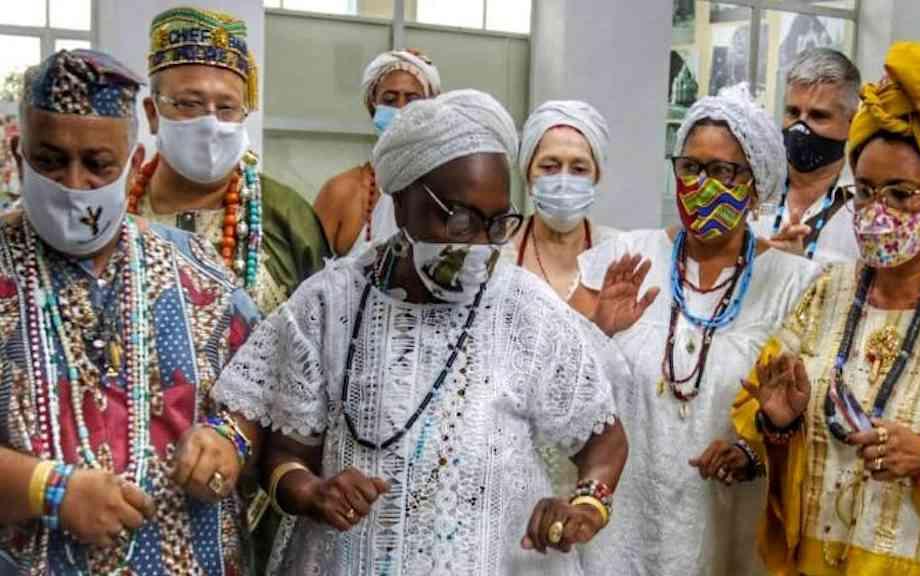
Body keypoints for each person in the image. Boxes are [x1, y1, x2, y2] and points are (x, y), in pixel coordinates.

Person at [214, 89, 628, 575]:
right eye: (460, 220)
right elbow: (285, 454)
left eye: (497, 224)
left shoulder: (525, 310)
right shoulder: (329, 304)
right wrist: (312, 492)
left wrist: (586, 505)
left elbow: (604, 442)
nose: (480, 245)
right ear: (402, 202)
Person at [728, 42, 920, 575]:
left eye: (901, 194)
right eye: (865, 192)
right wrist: (777, 424)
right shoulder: (829, 292)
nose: (876, 213)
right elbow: (757, 408)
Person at [0, 49, 261, 575]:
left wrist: (229, 441)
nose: (74, 185)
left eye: (98, 165)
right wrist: (47, 490)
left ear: (135, 163)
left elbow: (261, 396)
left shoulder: (199, 270)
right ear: (17, 155)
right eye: (50, 161)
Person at [571, 85, 820, 575]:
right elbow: (558, 392)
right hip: (622, 536)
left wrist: (753, 451)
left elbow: (807, 422)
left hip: (728, 531)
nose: (702, 184)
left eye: (723, 171)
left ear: (756, 185)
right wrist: (598, 331)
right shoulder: (626, 259)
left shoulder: (794, 285)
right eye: (690, 167)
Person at [129, 6, 329, 315]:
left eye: (226, 108)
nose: (210, 123)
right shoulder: (118, 217)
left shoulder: (287, 216)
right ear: (152, 113)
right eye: (190, 104)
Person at [314, 49, 442, 256]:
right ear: (373, 106)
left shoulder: (445, 193)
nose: (401, 110)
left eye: (413, 100)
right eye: (390, 100)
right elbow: (307, 271)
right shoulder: (341, 192)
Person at [751, 47, 861, 264]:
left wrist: (800, 270)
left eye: (818, 116)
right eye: (793, 113)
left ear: (852, 123)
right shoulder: (754, 188)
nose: (801, 126)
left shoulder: (863, 205)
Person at [503, 100, 618, 301]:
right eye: (549, 167)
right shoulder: (499, 255)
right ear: (527, 175)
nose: (564, 182)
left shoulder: (618, 253)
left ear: (596, 176)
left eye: (579, 169)